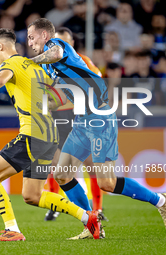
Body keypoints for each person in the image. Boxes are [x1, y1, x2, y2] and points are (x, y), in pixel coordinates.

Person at [0, 28, 102, 241]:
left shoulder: (11, 63)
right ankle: (88, 217)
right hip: (50, 137)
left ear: (1, 46)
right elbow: (58, 99)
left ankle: (12, 229)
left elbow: (0, 80)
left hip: (32, 134)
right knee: (32, 195)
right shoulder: (37, 67)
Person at [27, 18, 166, 238]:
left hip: (100, 119)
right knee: (62, 174)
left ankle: (161, 200)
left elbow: (56, 54)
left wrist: (30, 62)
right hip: (81, 120)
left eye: (31, 37)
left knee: (107, 182)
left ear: (44, 35)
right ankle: (92, 225)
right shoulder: (50, 68)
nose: (29, 42)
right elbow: (61, 97)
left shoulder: (56, 45)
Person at [44, 27, 108, 225]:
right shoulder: (47, 65)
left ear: (71, 43)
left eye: (65, 42)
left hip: (79, 117)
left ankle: (97, 209)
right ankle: (57, 206)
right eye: (57, 42)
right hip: (56, 119)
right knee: (54, 165)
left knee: (91, 165)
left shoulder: (83, 61)